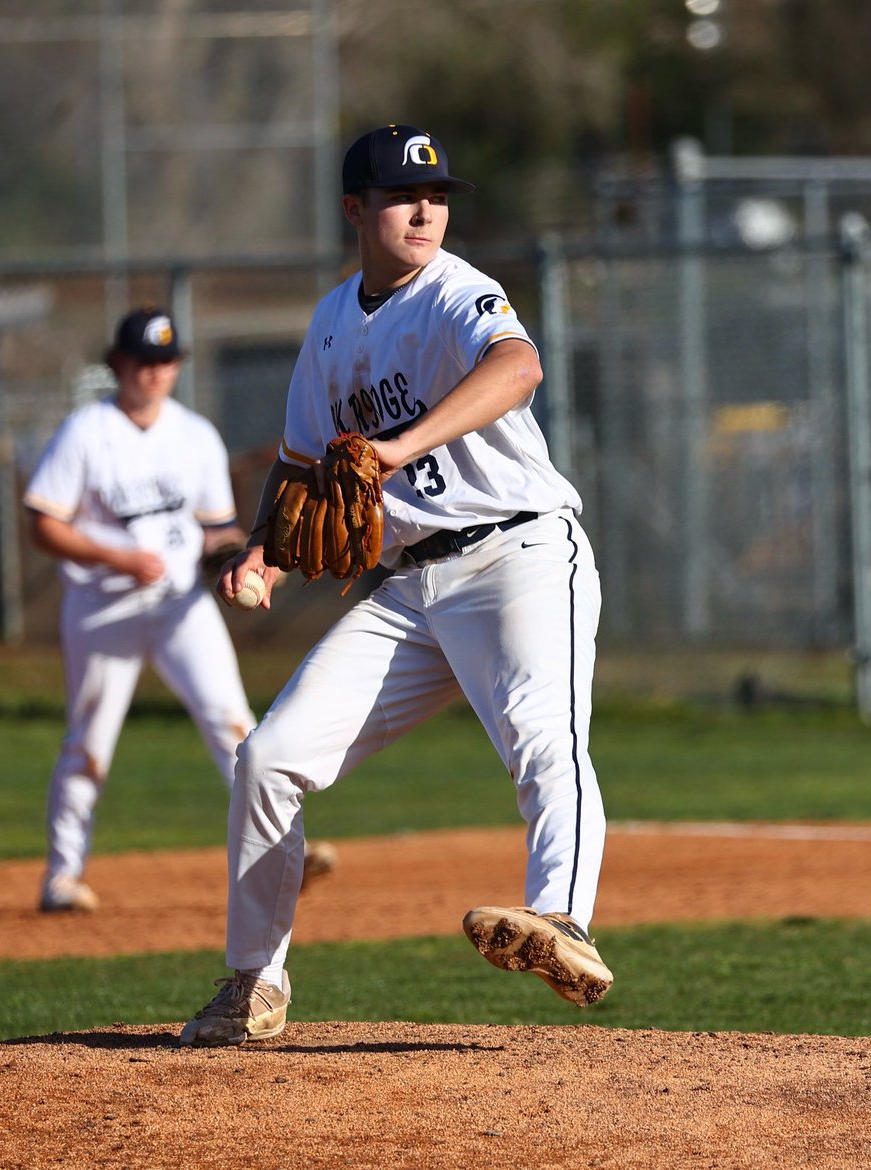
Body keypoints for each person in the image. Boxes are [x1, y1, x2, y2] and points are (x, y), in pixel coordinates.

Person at [180, 125, 611, 1048]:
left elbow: (519, 366)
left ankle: (563, 921)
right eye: (401, 196)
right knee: (267, 760)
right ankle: (255, 981)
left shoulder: (459, 291)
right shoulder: (334, 321)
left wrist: (397, 448)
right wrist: (262, 551)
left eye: (438, 194)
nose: (425, 210)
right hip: (411, 591)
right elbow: (301, 463)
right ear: (355, 211)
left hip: (519, 559)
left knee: (544, 737)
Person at [23, 305, 335, 913]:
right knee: (90, 742)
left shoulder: (195, 436)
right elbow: (43, 525)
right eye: (143, 361)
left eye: (166, 361)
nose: (154, 372)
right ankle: (62, 877)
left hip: (178, 606)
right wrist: (118, 559)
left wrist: (237, 556)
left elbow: (216, 529)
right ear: (118, 364)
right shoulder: (86, 431)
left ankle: (283, 858)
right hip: (100, 609)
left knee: (234, 723)